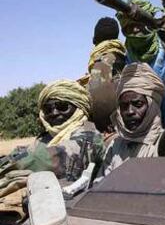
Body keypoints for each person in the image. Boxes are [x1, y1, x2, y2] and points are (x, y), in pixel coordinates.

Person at [0, 80, 104, 217]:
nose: (54, 113)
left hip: (79, 212)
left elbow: (48, 158)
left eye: (62, 106)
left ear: (77, 107)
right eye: (48, 109)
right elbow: (22, 153)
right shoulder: (47, 137)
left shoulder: (88, 136)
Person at [99, 63, 165, 177]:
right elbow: (100, 187)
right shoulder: (115, 146)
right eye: (124, 106)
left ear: (152, 107)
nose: (130, 111)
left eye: (138, 104)